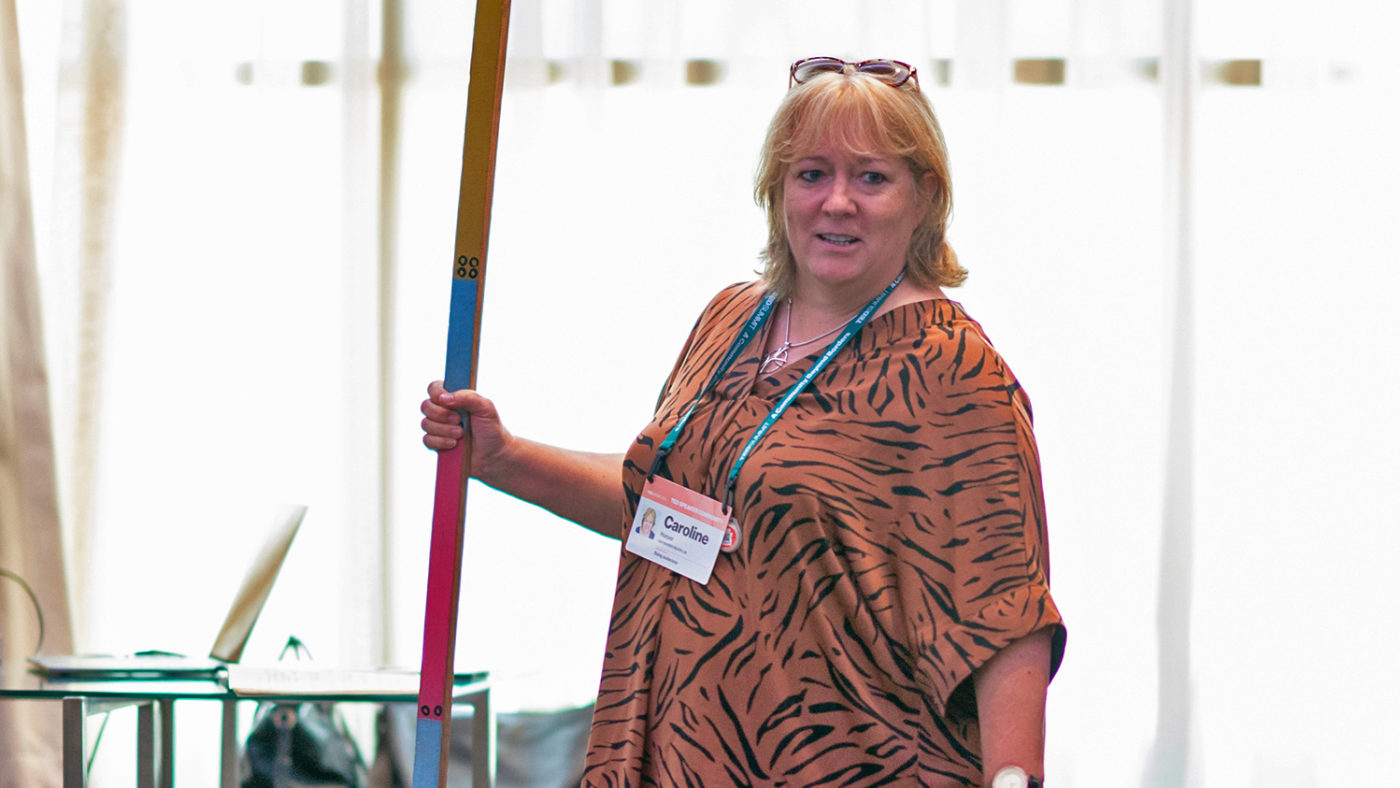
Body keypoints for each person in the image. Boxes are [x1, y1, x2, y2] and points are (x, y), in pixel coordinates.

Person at [421, 57, 1066, 788]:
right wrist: (503, 458)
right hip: (676, 755)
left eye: (872, 178)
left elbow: (1005, 613)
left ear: (925, 197)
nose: (838, 203)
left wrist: (1015, 777)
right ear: (776, 189)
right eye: (812, 174)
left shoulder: (953, 370)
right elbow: (664, 507)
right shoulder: (732, 319)